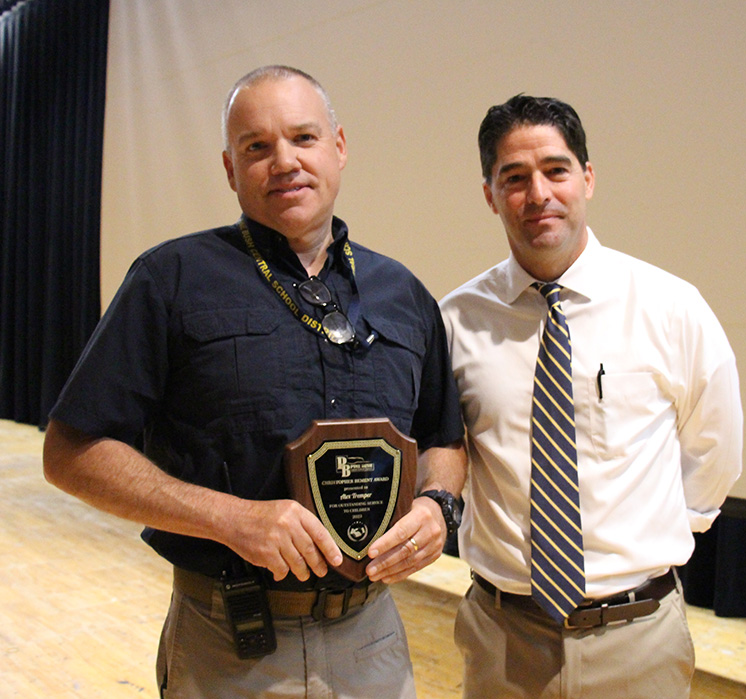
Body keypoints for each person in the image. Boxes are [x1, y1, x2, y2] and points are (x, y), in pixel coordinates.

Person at [43, 65, 466, 699]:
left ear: (339, 146)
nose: (285, 161)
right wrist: (229, 518)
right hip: (228, 645)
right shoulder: (171, 279)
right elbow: (70, 453)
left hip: (373, 639)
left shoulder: (403, 294)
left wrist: (438, 506)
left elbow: (443, 437)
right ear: (229, 168)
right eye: (257, 147)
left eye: (304, 138)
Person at [439, 95, 743, 698]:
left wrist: (648, 542)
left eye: (556, 170)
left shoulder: (669, 306)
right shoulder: (456, 321)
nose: (539, 194)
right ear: (489, 195)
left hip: (639, 641)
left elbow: (715, 448)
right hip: (504, 638)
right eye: (514, 178)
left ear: (588, 178)